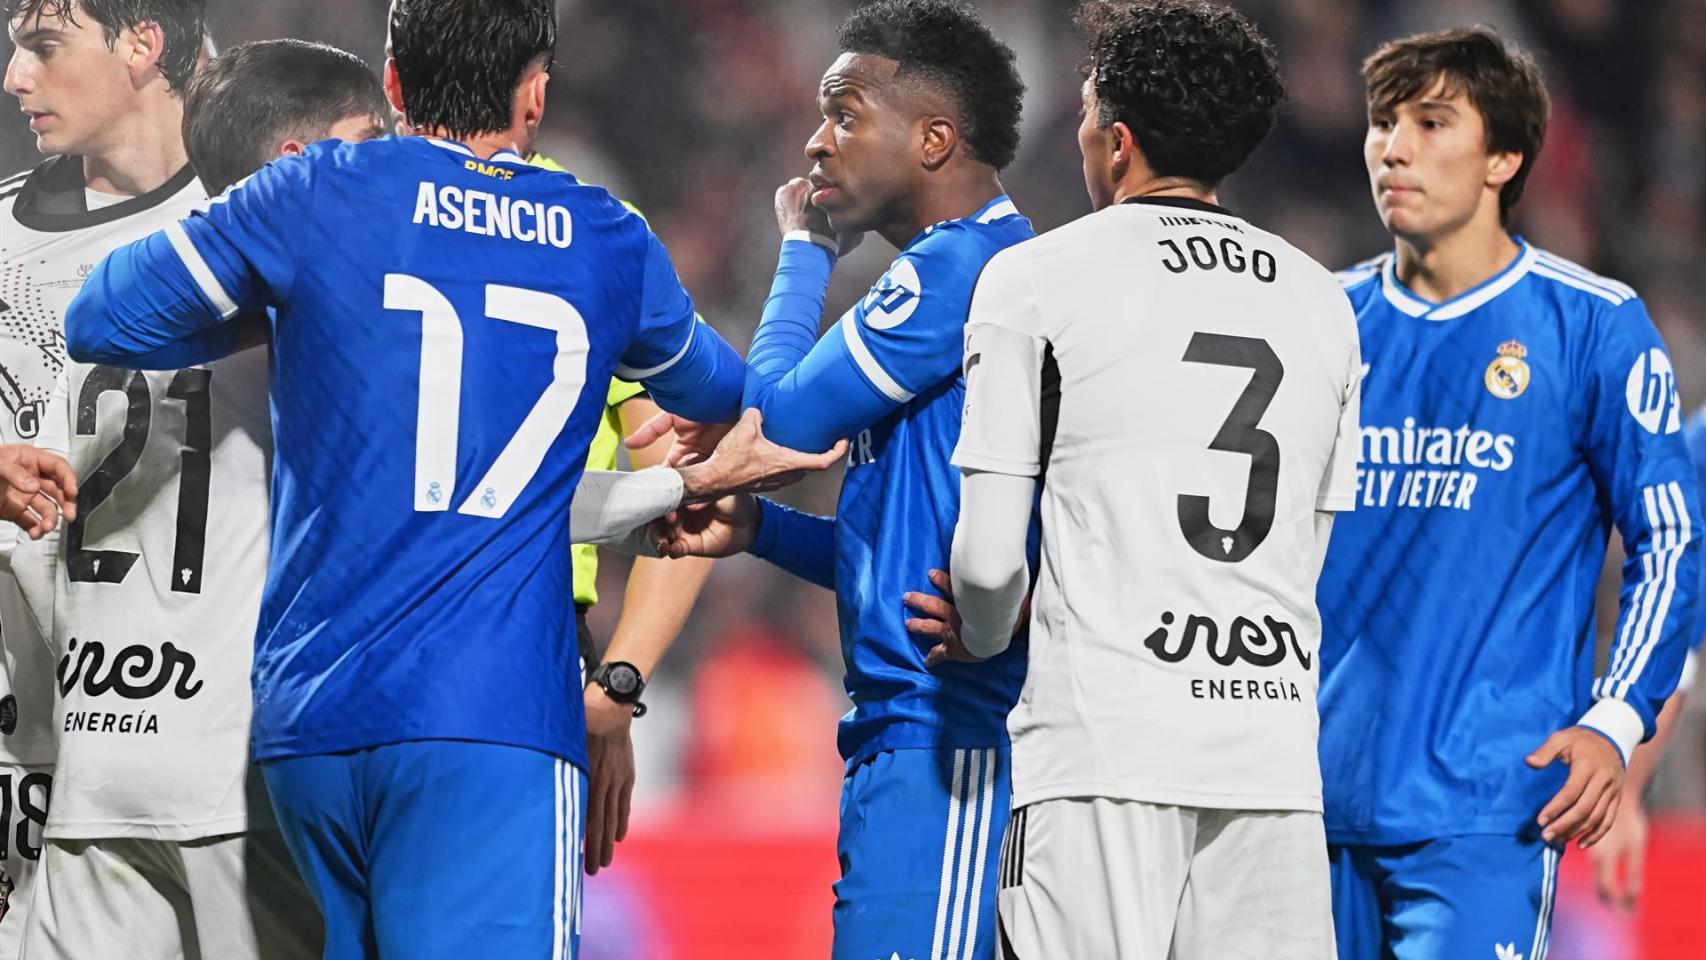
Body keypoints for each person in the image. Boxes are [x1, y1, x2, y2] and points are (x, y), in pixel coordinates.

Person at [56, 0, 832, 956]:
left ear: (391, 81)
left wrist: (282, 305)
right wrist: (802, 260)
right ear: (536, 94)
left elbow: (102, 315)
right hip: (491, 714)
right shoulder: (602, 233)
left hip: (312, 725)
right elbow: (729, 394)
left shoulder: (315, 194)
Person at [930, 2, 1355, 956]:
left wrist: (987, 632)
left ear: (1116, 142)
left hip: (1103, 747)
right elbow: (1305, 549)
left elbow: (991, 564)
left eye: (1086, 112)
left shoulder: (1037, 279)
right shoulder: (1324, 300)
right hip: (1271, 757)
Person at [644, 1, 1032, 956]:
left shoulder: (963, 268)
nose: (817, 144)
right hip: (910, 738)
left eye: (846, 113)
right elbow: (902, 557)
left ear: (935, 139)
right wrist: (761, 530)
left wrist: (804, 252)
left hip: (950, 738)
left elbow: (777, 424)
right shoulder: (978, 270)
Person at [1318, 26, 1700, 960]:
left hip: (1486, 808)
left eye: (1431, 122)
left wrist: (1616, 722)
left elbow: (1673, 541)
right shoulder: (1320, 321)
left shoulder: (1592, 326)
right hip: (1305, 794)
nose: (1392, 148)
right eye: (1381, 123)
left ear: (1505, 157)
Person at [7, 38, 392, 960]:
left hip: (94, 764)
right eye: (370, 141)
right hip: (241, 767)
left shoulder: (114, 290)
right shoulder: (323, 303)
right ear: (299, 163)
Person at [0, 0, 208, 950]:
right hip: (23, 750)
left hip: (205, 754)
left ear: (142, 45)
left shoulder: (252, 227)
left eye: (44, 48)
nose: (16, 78)